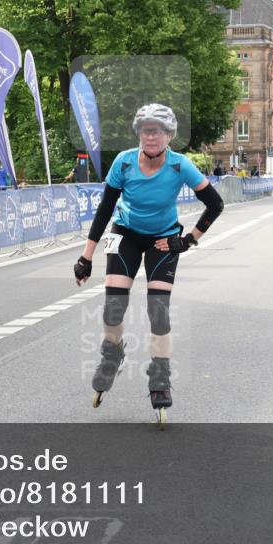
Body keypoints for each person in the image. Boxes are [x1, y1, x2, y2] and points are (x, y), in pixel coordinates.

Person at [72, 103, 224, 424]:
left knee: (158, 309)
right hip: (125, 233)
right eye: (145, 130)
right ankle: (112, 353)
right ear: (138, 133)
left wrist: (187, 240)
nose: (151, 136)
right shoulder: (124, 163)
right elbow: (104, 211)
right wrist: (86, 256)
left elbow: (215, 203)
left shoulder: (180, 166)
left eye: (157, 131)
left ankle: (160, 377)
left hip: (163, 239)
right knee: (113, 306)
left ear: (169, 136)